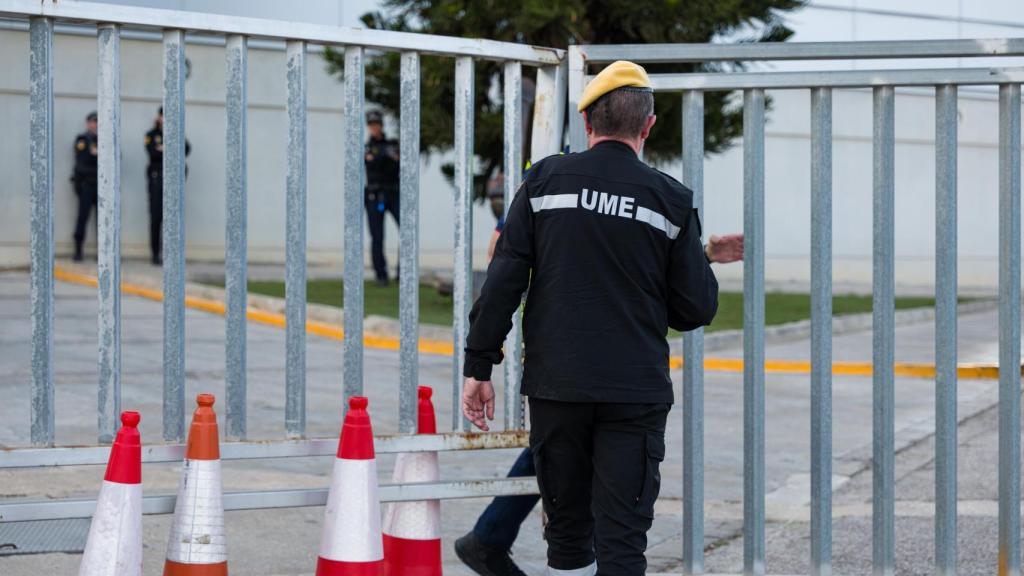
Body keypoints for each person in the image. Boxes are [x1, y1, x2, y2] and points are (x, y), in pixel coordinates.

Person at [461, 60, 722, 576]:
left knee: (568, 535)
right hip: (635, 391)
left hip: (558, 387)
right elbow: (696, 308)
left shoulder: (544, 183)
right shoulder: (671, 201)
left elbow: (503, 282)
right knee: (623, 541)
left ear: (588, 123)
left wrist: (479, 367)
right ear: (647, 125)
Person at [457, 223, 742, 576]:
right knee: (593, 528)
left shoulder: (619, 190)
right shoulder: (546, 181)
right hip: (590, 374)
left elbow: (628, 262)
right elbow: (500, 253)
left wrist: (702, 257)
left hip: (580, 379)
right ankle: (489, 537)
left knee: (577, 527)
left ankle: (489, 536)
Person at [144, 107, 190, 265]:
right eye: (163, 116)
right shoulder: (152, 135)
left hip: (174, 182)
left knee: (173, 219)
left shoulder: (176, 133)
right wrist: (169, 149)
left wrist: (166, 147)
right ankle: (155, 254)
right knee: (156, 218)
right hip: (157, 181)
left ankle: (172, 255)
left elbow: (186, 149)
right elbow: (153, 154)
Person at [364, 109, 401, 286]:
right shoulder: (367, 147)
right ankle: (381, 274)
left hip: (392, 192)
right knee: (377, 236)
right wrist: (383, 157)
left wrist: (380, 157)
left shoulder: (391, 144)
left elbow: (396, 165)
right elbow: (371, 166)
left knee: (406, 231)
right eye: (371, 125)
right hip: (374, 194)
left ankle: (403, 271)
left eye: (376, 124)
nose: (374, 128)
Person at [71, 112, 99, 262]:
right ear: (88, 123)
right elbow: (81, 164)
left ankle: (102, 252)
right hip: (87, 185)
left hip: (102, 187)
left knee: (103, 221)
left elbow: (116, 160)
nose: (95, 125)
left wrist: (95, 154)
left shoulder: (106, 139)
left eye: (97, 122)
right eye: (92, 122)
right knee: (82, 218)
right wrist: (95, 155)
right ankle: (78, 251)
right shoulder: (82, 140)